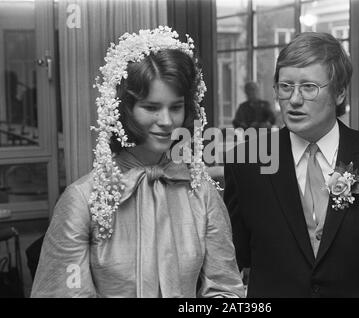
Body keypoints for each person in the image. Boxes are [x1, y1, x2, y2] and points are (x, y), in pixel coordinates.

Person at [31, 27, 244, 298]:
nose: (167, 121)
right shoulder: (83, 199)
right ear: (124, 110)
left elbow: (226, 290)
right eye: (152, 107)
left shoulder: (201, 192)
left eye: (175, 107)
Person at [224, 32, 359, 297]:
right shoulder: (247, 162)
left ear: (340, 93)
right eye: (285, 87)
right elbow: (230, 259)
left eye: (309, 87)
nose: (294, 100)